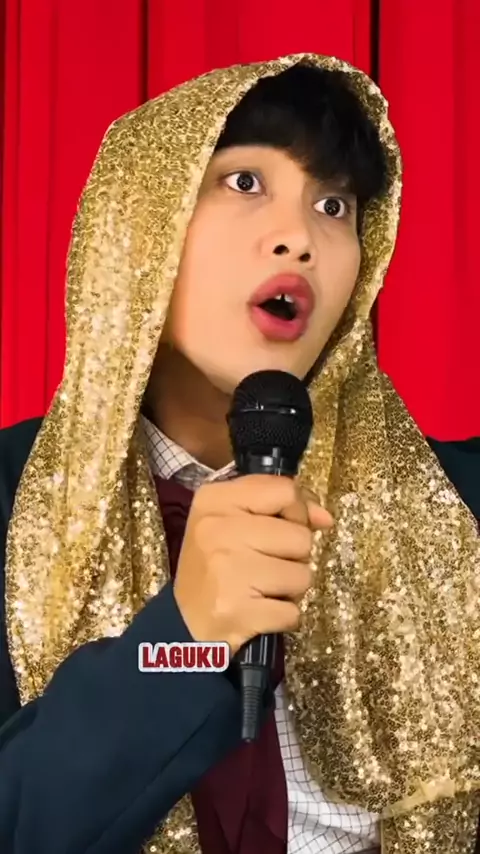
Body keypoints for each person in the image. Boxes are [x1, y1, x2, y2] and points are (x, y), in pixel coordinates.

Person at [0, 53, 479, 854]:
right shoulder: (13, 506)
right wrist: (182, 640)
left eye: (333, 204)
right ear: (140, 225)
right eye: (245, 182)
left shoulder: (460, 507)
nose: (300, 238)